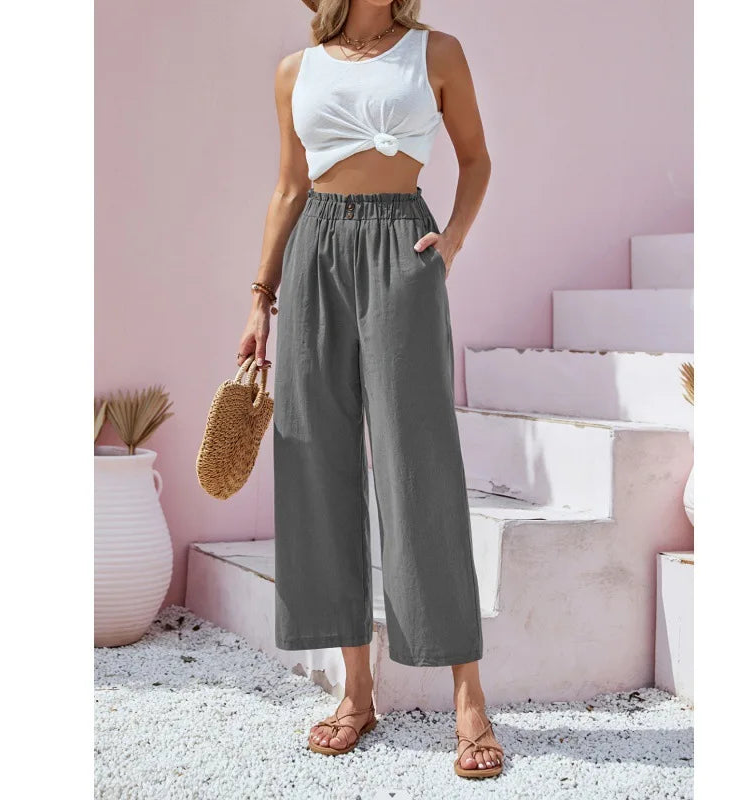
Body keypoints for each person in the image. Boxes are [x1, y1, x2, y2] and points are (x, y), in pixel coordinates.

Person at [237, 0, 502, 779]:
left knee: (420, 464)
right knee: (316, 464)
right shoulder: (296, 71)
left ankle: (469, 698)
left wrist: (451, 244)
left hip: (400, 248)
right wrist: (259, 297)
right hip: (315, 250)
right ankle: (356, 691)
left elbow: (477, 159)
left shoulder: (436, 52)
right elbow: (289, 186)